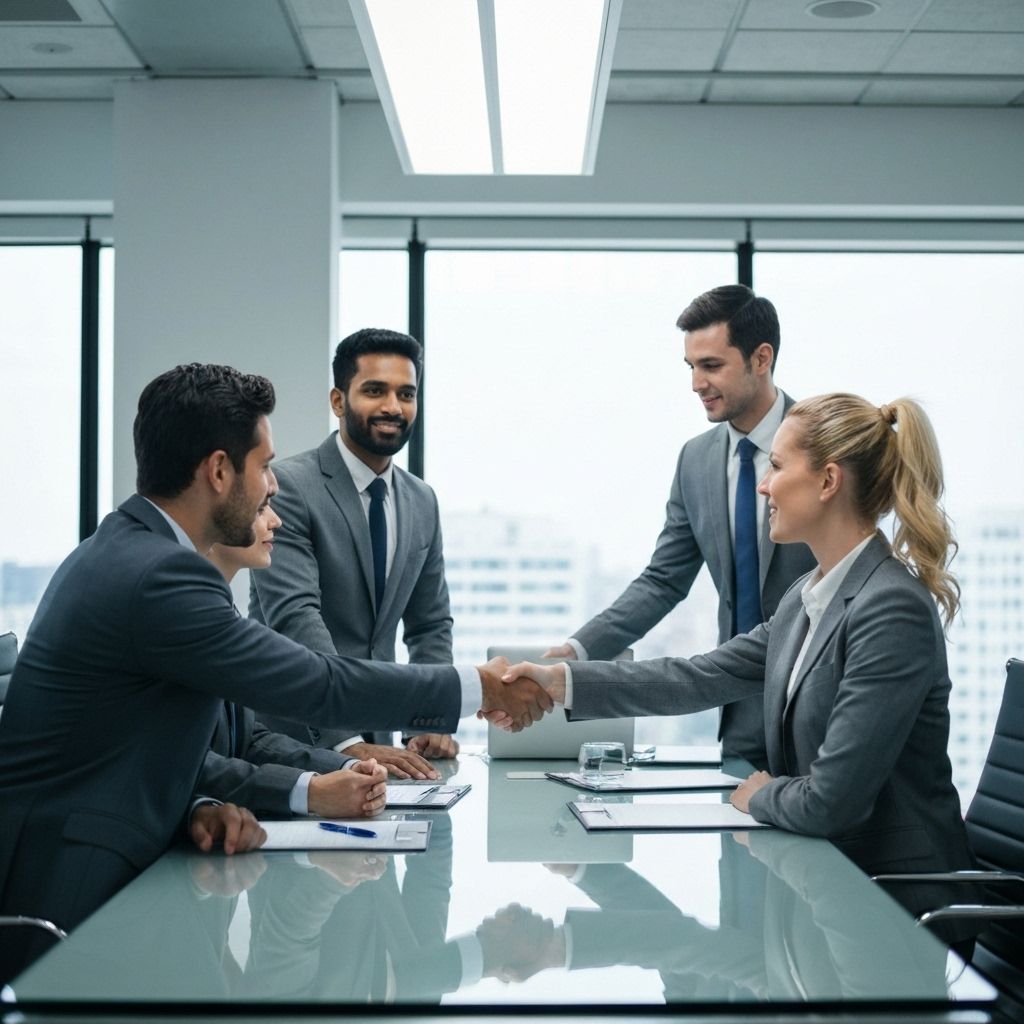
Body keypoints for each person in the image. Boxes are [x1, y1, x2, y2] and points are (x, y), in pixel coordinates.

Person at [0, 362, 548, 948]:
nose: (273, 486)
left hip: (109, 869)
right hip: (74, 896)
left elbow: (141, 741)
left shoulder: (135, 550)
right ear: (217, 471)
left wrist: (206, 802)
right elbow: (315, 683)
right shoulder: (159, 574)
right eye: (263, 467)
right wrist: (479, 688)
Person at [505, 394, 975, 903]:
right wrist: (560, 682)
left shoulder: (889, 609)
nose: (765, 484)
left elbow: (831, 802)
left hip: (894, 905)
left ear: (827, 481)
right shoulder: (806, 598)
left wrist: (762, 794)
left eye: (776, 465)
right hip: (826, 883)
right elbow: (700, 677)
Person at [545, 285, 816, 768]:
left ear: (761, 358)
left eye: (711, 366)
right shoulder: (696, 460)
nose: (696, 383)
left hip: (817, 698)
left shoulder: (822, 442)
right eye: (690, 367)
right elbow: (664, 580)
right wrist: (579, 650)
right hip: (737, 705)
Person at [252, 328, 457, 780]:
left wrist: (429, 718)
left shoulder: (423, 500)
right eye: (374, 390)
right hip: (291, 744)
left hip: (383, 748)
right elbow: (295, 619)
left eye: (406, 393)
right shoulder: (288, 488)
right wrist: (346, 740)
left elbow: (429, 624)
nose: (392, 407)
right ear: (338, 401)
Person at [202, 503, 389, 819]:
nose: (276, 521)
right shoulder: (183, 613)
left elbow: (246, 739)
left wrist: (344, 766)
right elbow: (188, 763)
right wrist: (311, 791)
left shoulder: (220, 606)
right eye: (260, 509)